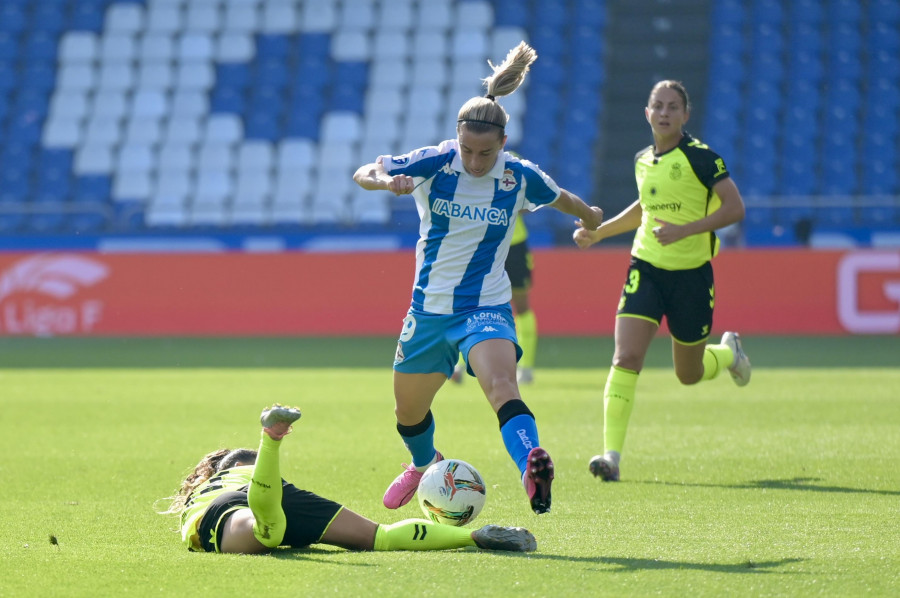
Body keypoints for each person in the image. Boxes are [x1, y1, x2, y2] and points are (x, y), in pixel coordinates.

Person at [352, 41, 603, 515]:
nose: (474, 161)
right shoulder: (435, 162)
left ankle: (532, 464)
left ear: (503, 144)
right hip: (428, 311)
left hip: (484, 307)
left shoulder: (519, 177)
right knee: (408, 412)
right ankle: (424, 463)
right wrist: (386, 182)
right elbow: (364, 170)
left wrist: (589, 216)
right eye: (467, 150)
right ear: (456, 139)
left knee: (502, 386)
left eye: (485, 153)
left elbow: (562, 197)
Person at [573, 79, 751, 483]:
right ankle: (611, 456)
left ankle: (727, 354)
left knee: (687, 374)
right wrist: (599, 233)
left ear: (686, 115)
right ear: (647, 113)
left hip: (691, 275)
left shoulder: (702, 158)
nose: (665, 112)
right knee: (626, 358)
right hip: (646, 268)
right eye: (658, 105)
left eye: (674, 106)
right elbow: (644, 208)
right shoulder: (642, 160)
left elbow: (735, 207)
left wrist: (687, 230)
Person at [162, 405, 537, 554]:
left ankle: (271, 443)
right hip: (279, 494)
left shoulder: (204, 494)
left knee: (265, 532)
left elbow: (245, 478)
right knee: (381, 537)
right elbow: (258, 472)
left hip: (227, 512)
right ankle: (474, 536)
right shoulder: (240, 468)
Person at [451, 216, 538, 384]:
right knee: (471, 302)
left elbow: (528, 202)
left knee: (522, 306)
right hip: (483, 243)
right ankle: (459, 364)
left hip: (514, 242)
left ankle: (526, 368)